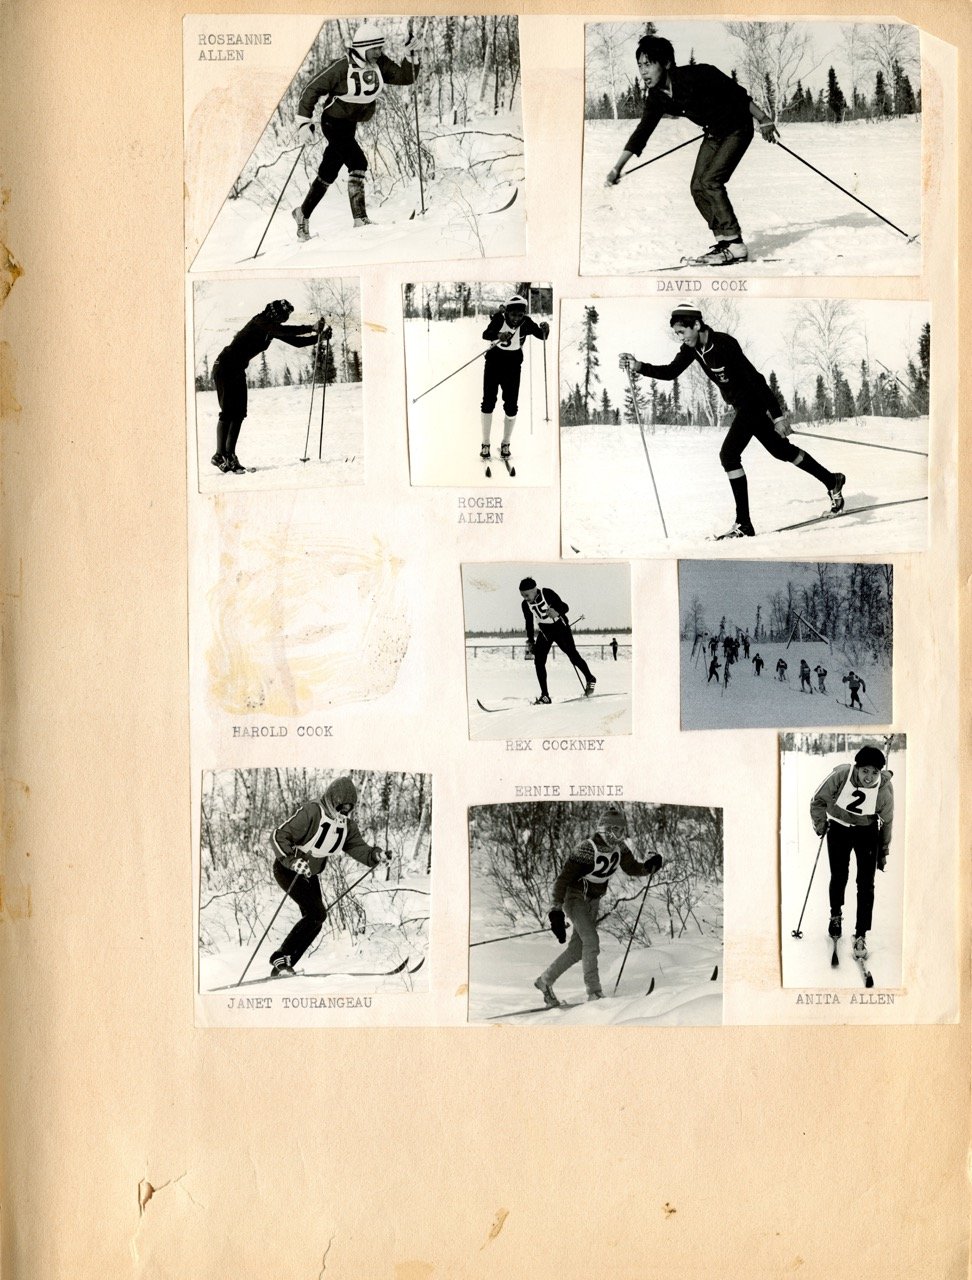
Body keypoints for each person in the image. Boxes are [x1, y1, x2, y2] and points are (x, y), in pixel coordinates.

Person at [620, 305, 845, 538]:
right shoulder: (692, 349)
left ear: (696, 325)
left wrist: (778, 416)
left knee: (728, 455)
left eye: (681, 331)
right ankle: (832, 480)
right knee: (781, 451)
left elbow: (757, 380)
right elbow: (670, 372)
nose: (680, 337)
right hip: (741, 407)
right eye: (677, 333)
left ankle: (744, 524)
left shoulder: (725, 344)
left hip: (753, 403)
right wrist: (638, 367)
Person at [604, 34, 780, 265]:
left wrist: (764, 119)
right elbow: (642, 132)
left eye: (648, 64)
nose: (643, 72)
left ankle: (736, 245)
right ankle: (724, 243)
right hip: (714, 133)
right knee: (697, 187)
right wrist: (618, 167)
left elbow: (738, 96)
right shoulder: (657, 97)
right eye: (640, 66)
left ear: (666, 63)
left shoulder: (698, 75)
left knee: (710, 181)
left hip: (737, 127)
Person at [292, 23, 422, 236]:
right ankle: (360, 218)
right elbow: (311, 89)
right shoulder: (342, 67)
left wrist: (411, 56)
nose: (380, 52)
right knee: (358, 162)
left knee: (329, 172)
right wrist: (304, 122)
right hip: (332, 123)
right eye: (375, 48)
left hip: (349, 123)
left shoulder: (379, 63)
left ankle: (302, 214)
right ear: (363, 48)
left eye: (381, 48)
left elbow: (405, 77)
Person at [535, 804, 663, 1005]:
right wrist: (556, 910)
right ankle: (594, 992)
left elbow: (631, 868)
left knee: (578, 949)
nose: (619, 834)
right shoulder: (587, 849)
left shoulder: (619, 847)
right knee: (591, 941)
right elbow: (563, 879)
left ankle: (545, 981)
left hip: (593, 902)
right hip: (575, 898)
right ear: (604, 828)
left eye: (621, 830)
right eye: (615, 830)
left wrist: (649, 867)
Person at [268, 776, 390, 977]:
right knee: (317, 914)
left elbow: (358, 847)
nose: (344, 811)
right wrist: (291, 860)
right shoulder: (312, 811)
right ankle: (280, 957)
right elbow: (278, 835)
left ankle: (283, 966)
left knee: (316, 919)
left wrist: (376, 855)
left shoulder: (345, 826)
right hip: (288, 869)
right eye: (341, 805)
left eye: (349, 808)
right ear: (332, 799)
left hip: (310, 874)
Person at [210, 301, 327, 473]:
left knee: (239, 413)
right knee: (228, 412)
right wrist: (312, 327)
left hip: (236, 368)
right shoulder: (261, 321)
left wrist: (319, 338)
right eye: (282, 316)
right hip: (225, 366)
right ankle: (219, 455)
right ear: (274, 314)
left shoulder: (271, 328)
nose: (284, 320)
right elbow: (285, 331)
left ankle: (230, 456)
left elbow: (295, 342)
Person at [810, 744, 894, 961]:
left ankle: (861, 932)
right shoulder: (841, 775)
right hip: (838, 828)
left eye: (874, 772)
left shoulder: (883, 790)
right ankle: (836, 915)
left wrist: (883, 851)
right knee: (839, 875)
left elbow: (887, 822)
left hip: (867, 833)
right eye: (865, 770)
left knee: (866, 883)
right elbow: (818, 801)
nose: (869, 777)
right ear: (857, 768)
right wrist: (821, 825)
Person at [480, 296, 549, 464]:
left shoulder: (526, 322)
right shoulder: (499, 318)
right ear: (508, 313)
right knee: (488, 402)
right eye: (513, 315)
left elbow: (542, 336)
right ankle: (485, 444)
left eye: (519, 315)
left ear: (523, 314)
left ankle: (506, 443)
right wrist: (498, 334)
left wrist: (546, 329)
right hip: (494, 363)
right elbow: (486, 334)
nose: (516, 319)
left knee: (511, 406)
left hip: (512, 367)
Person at [520, 577, 596, 703]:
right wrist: (530, 640)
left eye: (527, 595)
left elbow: (565, 607)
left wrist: (556, 611)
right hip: (545, 631)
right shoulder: (525, 604)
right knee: (539, 662)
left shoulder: (547, 593)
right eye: (522, 595)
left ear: (534, 590)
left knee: (573, 655)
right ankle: (545, 696)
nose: (525, 598)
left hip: (560, 628)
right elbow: (528, 622)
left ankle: (590, 678)